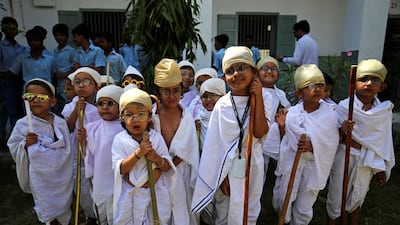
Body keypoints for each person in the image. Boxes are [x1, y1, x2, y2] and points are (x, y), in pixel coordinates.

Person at [192, 46, 269, 225]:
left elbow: (259, 132)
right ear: (224, 78)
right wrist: (223, 176)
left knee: (249, 207)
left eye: (241, 68)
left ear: (254, 72)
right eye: (229, 70)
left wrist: (257, 96)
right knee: (228, 211)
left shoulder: (263, 98)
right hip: (228, 166)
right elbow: (215, 146)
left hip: (252, 162)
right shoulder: (223, 105)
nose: (236, 74)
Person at [326, 59, 395, 225]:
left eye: (375, 80)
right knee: (336, 195)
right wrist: (343, 130)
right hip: (344, 155)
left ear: (382, 87)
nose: (369, 83)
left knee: (358, 193)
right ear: (353, 83)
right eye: (363, 79)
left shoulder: (383, 112)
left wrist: (380, 168)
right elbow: (331, 136)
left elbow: (383, 140)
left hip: (366, 159)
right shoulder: (344, 107)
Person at [272, 64, 339, 225]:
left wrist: (313, 146)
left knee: (305, 204)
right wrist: (282, 127)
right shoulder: (292, 114)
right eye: (310, 86)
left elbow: (331, 141)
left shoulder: (330, 114)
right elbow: (281, 141)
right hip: (291, 164)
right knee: (284, 198)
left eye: (320, 85)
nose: (316, 89)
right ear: (299, 93)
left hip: (313, 166)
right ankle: (285, 219)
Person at [8, 78, 73, 225]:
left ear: (52, 101)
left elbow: (68, 148)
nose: (36, 101)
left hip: (61, 174)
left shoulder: (60, 123)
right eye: (30, 97)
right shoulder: (23, 124)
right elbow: (13, 145)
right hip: (40, 176)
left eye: (42, 97)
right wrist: (25, 144)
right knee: (46, 208)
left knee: (64, 207)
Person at [112, 87, 176, 225]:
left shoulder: (156, 138)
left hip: (155, 193)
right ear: (122, 117)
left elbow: (166, 167)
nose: (135, 119)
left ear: (149, 116)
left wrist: (155, 157)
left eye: (141, 114)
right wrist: (138, 153)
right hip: (130, 193)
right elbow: (120, 169)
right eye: (129, 115)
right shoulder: (120, 140)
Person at [152, 58, 199, 225]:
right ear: (158, 92)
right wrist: (162, 165)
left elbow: (190, 148)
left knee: (181, 210)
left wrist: (171, 164)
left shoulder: (187, 117)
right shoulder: (151, 117)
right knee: (159, 212)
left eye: (176, 91)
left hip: (181, 173)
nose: (172, 96)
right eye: (166, 91)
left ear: (182, 91)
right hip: (157, 173)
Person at [77, 85, 123, 225]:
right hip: (100, 177)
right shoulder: (92, 127)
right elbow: (89, 153)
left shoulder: (125, 127)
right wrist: (83, 141)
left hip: (119, 178)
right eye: (100, 103)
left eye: (110, 103)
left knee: (118, 211)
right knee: (103, 213)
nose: (105, 107)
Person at [61, 67, 102, 225]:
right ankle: (90, 215)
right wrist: (76, 111)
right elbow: (68, 128)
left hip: (95, 152)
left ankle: (100, 214)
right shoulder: (70, 106)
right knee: (82, 185)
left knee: (96, 182)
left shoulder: (101, 106)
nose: (81, 86)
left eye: (86, 82)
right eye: (77, 82)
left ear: (96, 87)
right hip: (76, 152)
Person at [256, 56, 291, 178]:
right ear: (257, 72)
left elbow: (286, 112)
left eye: (273, 68)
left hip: (271, 136)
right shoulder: (254, 91)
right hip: (256, 134)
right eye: (265, 68)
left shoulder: (280, 94)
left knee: (263, 169)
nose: (269, 71)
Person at [0, 16, 27, 147]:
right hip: (6, 81)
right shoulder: (1, 46)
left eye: (13, 28)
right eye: (7, 28)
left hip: (20, 81)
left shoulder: (23, 48)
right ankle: (8, 139)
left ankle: (21, 137)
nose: (10, 31)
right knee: (8, 111)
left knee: (21, 111)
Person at [52, 23, 75, 114]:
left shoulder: (71, 51)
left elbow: (75, 68)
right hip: (57, 86)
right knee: (58, 109)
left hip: (67, 84)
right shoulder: (54, 51)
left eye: (62, 35)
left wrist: (65, 74)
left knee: (68, 108)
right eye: (56, 35)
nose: (59, 37)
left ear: (66, 36)